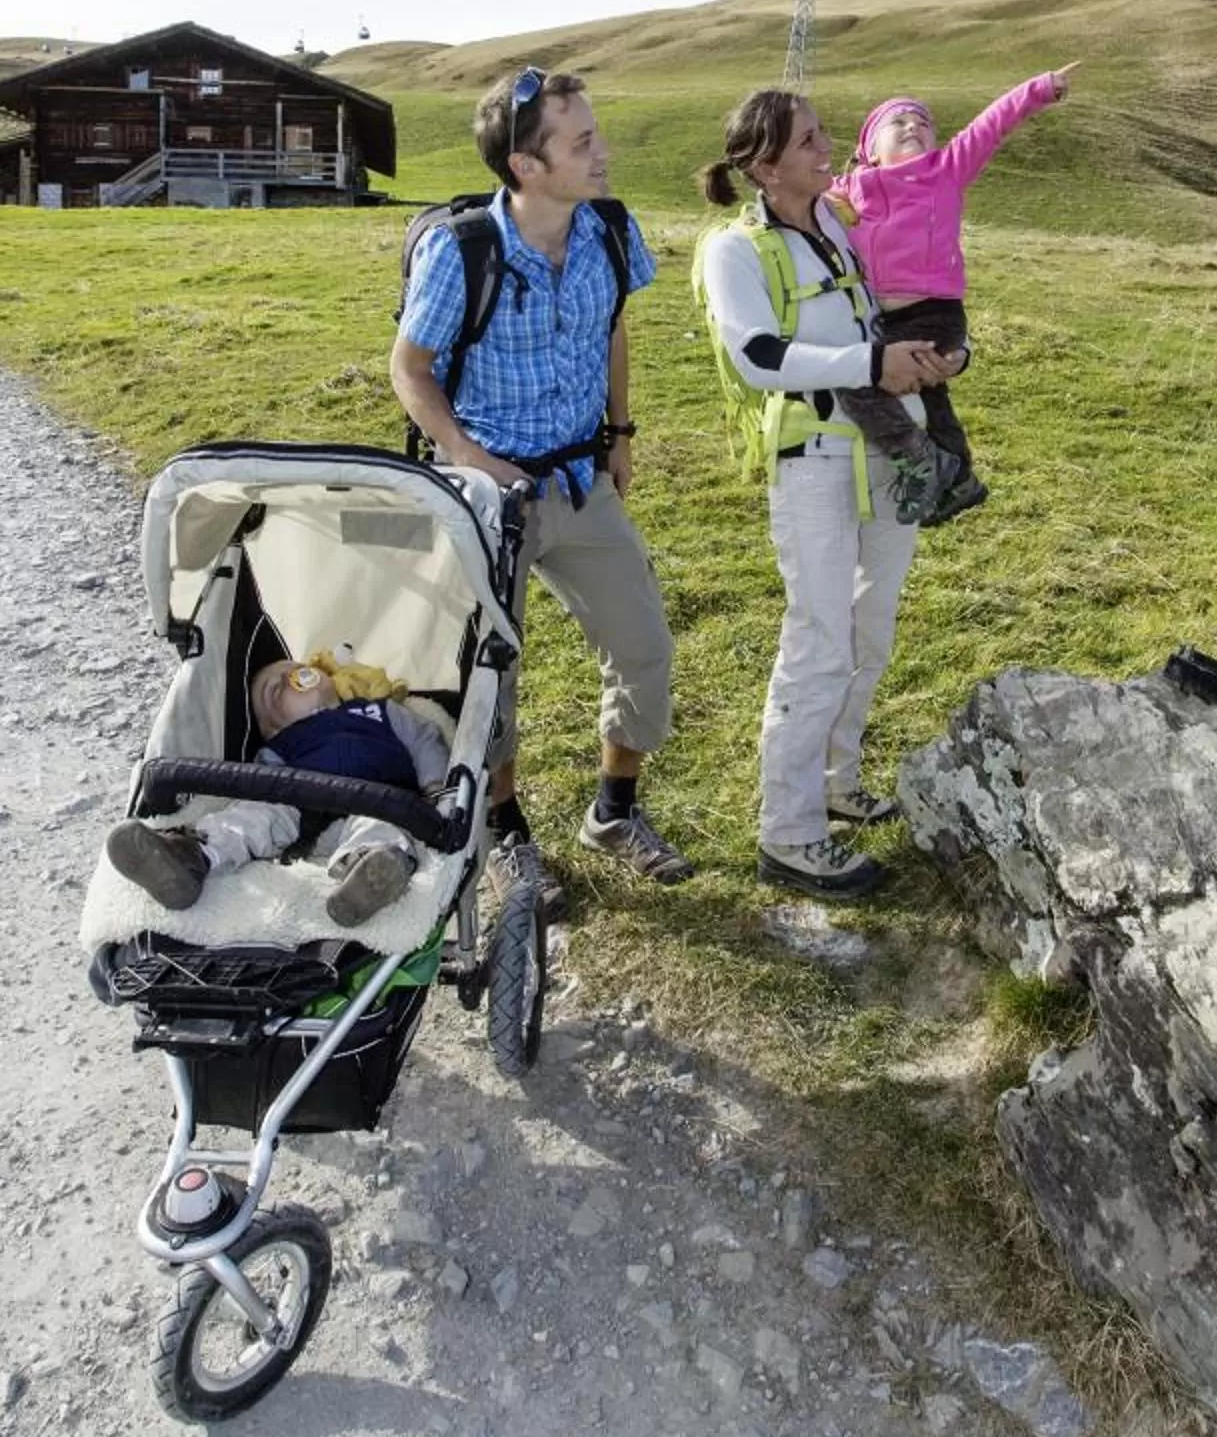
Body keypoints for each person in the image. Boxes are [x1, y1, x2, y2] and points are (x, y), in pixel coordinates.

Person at [390, 67, 688, 896]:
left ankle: (615, 809)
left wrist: (621, 433)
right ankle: (505, 830)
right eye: (582, 141)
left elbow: (614, 324)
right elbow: (410, 367)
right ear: (526, 166)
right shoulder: (462, 251)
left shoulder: (611, 230)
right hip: (488, 494)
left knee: (644, 648)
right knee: (490, 671)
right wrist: (467, 457)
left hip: (582, 478)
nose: (604, 153)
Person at [695, 88, 949, 898]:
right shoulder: (734, 251)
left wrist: (922, 357)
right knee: (819, 640)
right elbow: (758, 357)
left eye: (823, 134)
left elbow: (868, 320)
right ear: (765, 166)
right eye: (808, 140)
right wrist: (870, 367)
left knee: (870, 626)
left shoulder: (837, 226)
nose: (827, 147)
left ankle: (839, 783)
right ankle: (790, 833)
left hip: (885, 449)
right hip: (813, 462)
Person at [829, 71, 1074, 524]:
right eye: (898, 122)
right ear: (869, 147)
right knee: (932, 396)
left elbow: (991, 123)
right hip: (880, 319)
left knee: (858, 382)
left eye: (923, 122)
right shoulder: (846, 191)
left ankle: (919, 460)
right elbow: (801, 197)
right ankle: (958, 475)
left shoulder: (946, 170)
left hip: (935, 315)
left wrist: (1039, 89)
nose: (913, 127)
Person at [103, 655, 448, 928]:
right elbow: (257, 787)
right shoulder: (281, 745)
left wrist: (435, 787)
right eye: (276, 691)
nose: (289, 680)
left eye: (301, 675)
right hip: (301, 806)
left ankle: (365, 878)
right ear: (271, 727)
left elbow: (424, 739)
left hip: (381, 800)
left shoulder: (379, 712)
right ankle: (188, 856)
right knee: (253, 816)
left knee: (380, 830)